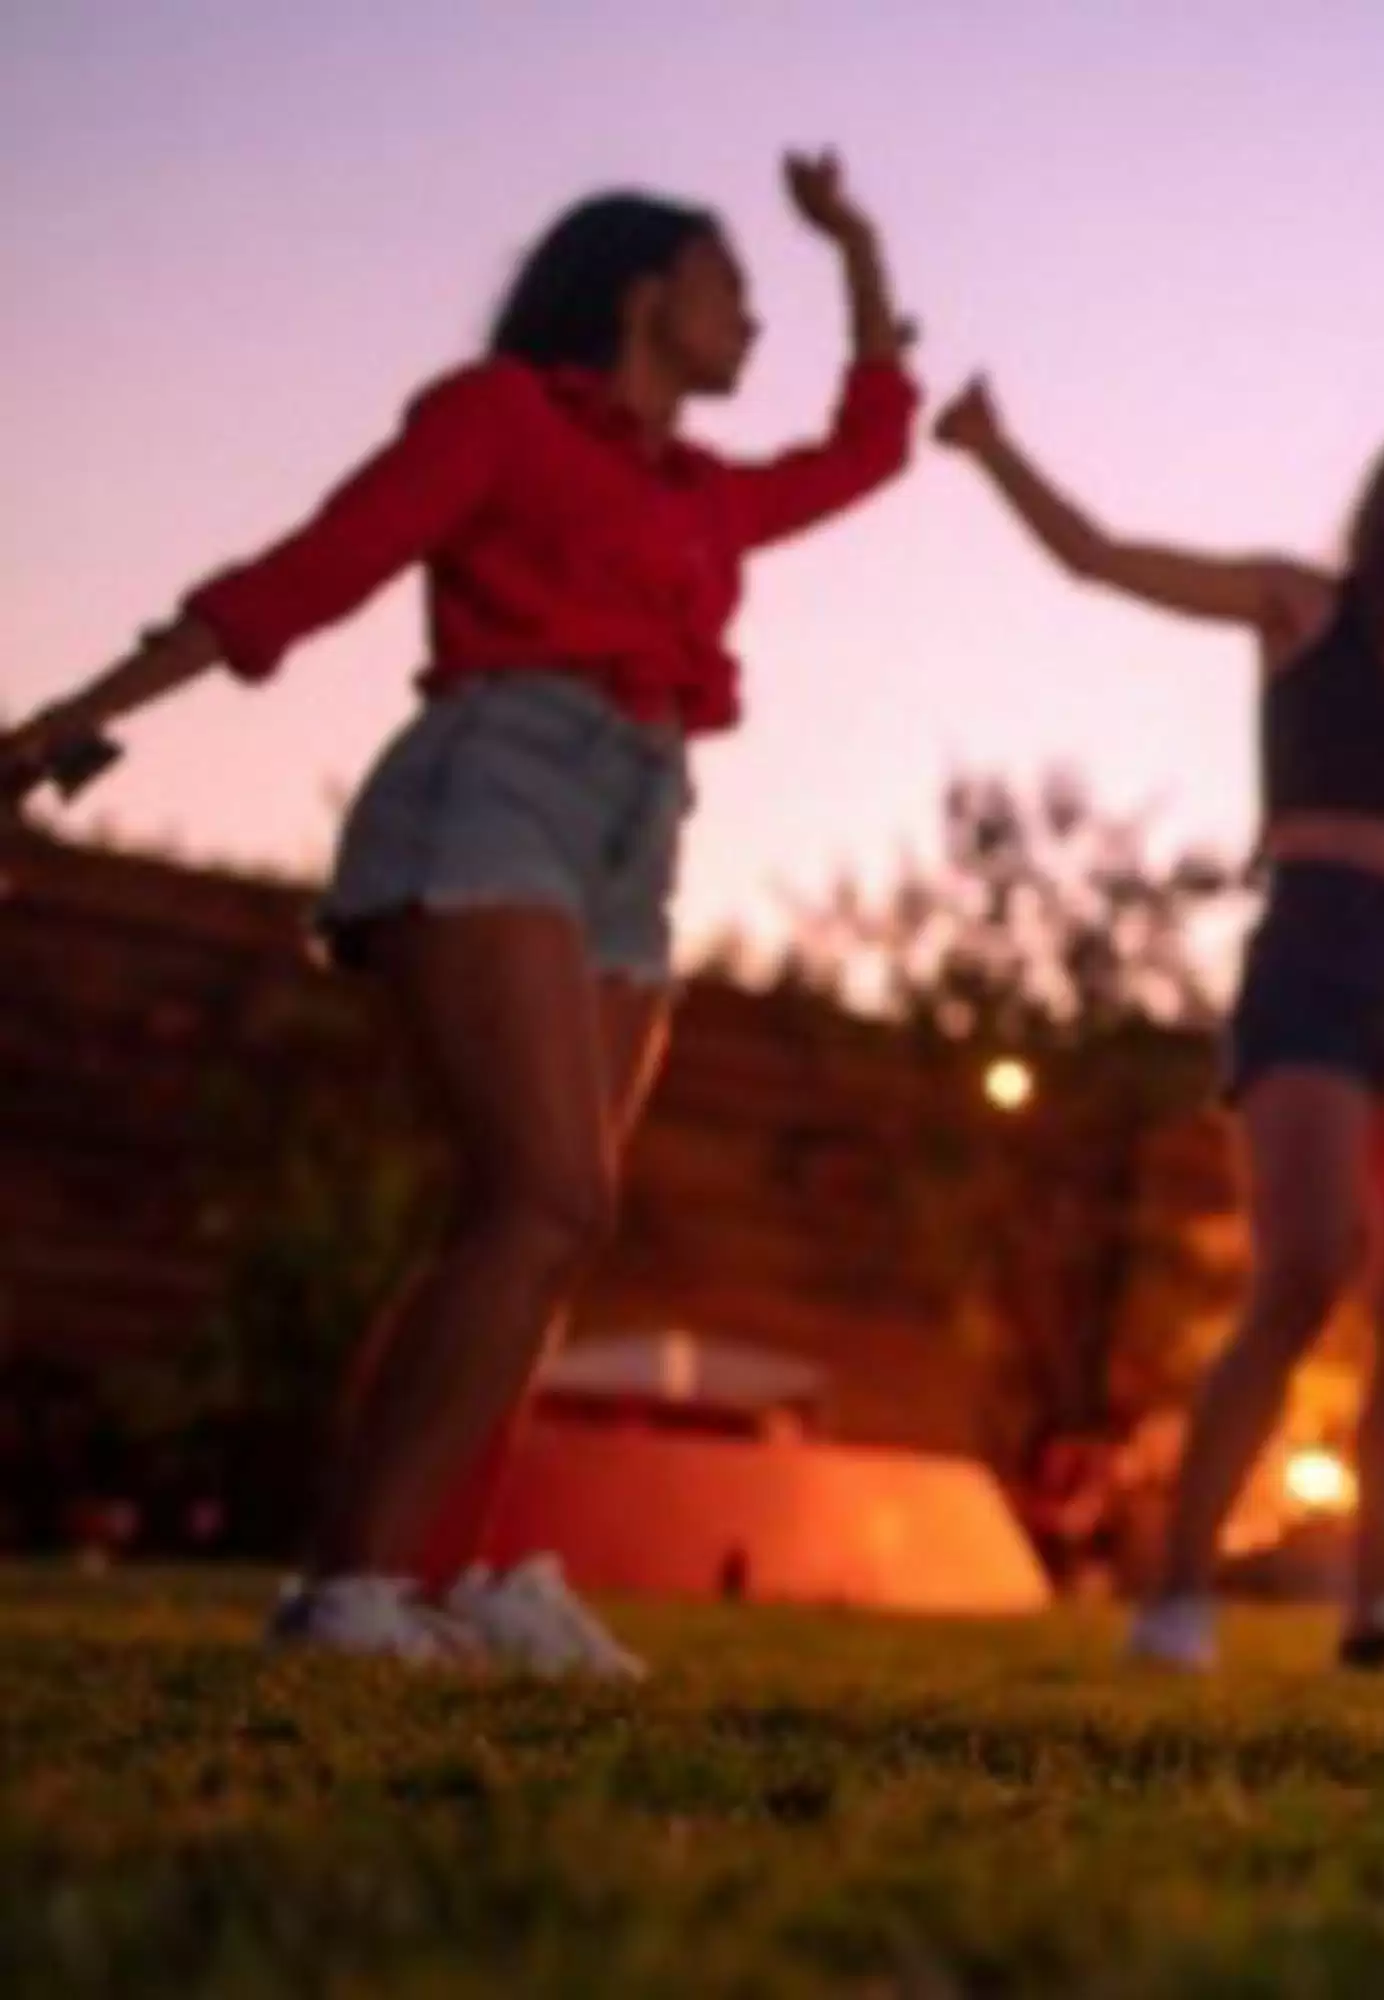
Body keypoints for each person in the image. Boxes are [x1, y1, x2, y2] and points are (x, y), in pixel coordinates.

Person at [0, 156, 921, 1675]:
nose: (753, 319)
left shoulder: (704, 493)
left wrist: (861, 247)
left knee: (533, 1227)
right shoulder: (500, 417)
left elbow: (871, 445)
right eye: (732, 285)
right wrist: (72, 720)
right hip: (498, 784)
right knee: (549, 1196)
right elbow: (314, 571)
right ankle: (350, 1590)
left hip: (640, 832)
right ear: (644, 291)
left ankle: (443, 1573)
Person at [933, 379, 1384, 1673]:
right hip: (1311, 940)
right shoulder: (1299, 608)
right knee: (1304, 1270)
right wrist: (991, 448)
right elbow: (1098, 558)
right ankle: (1177, 1596)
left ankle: (1380, 1612)